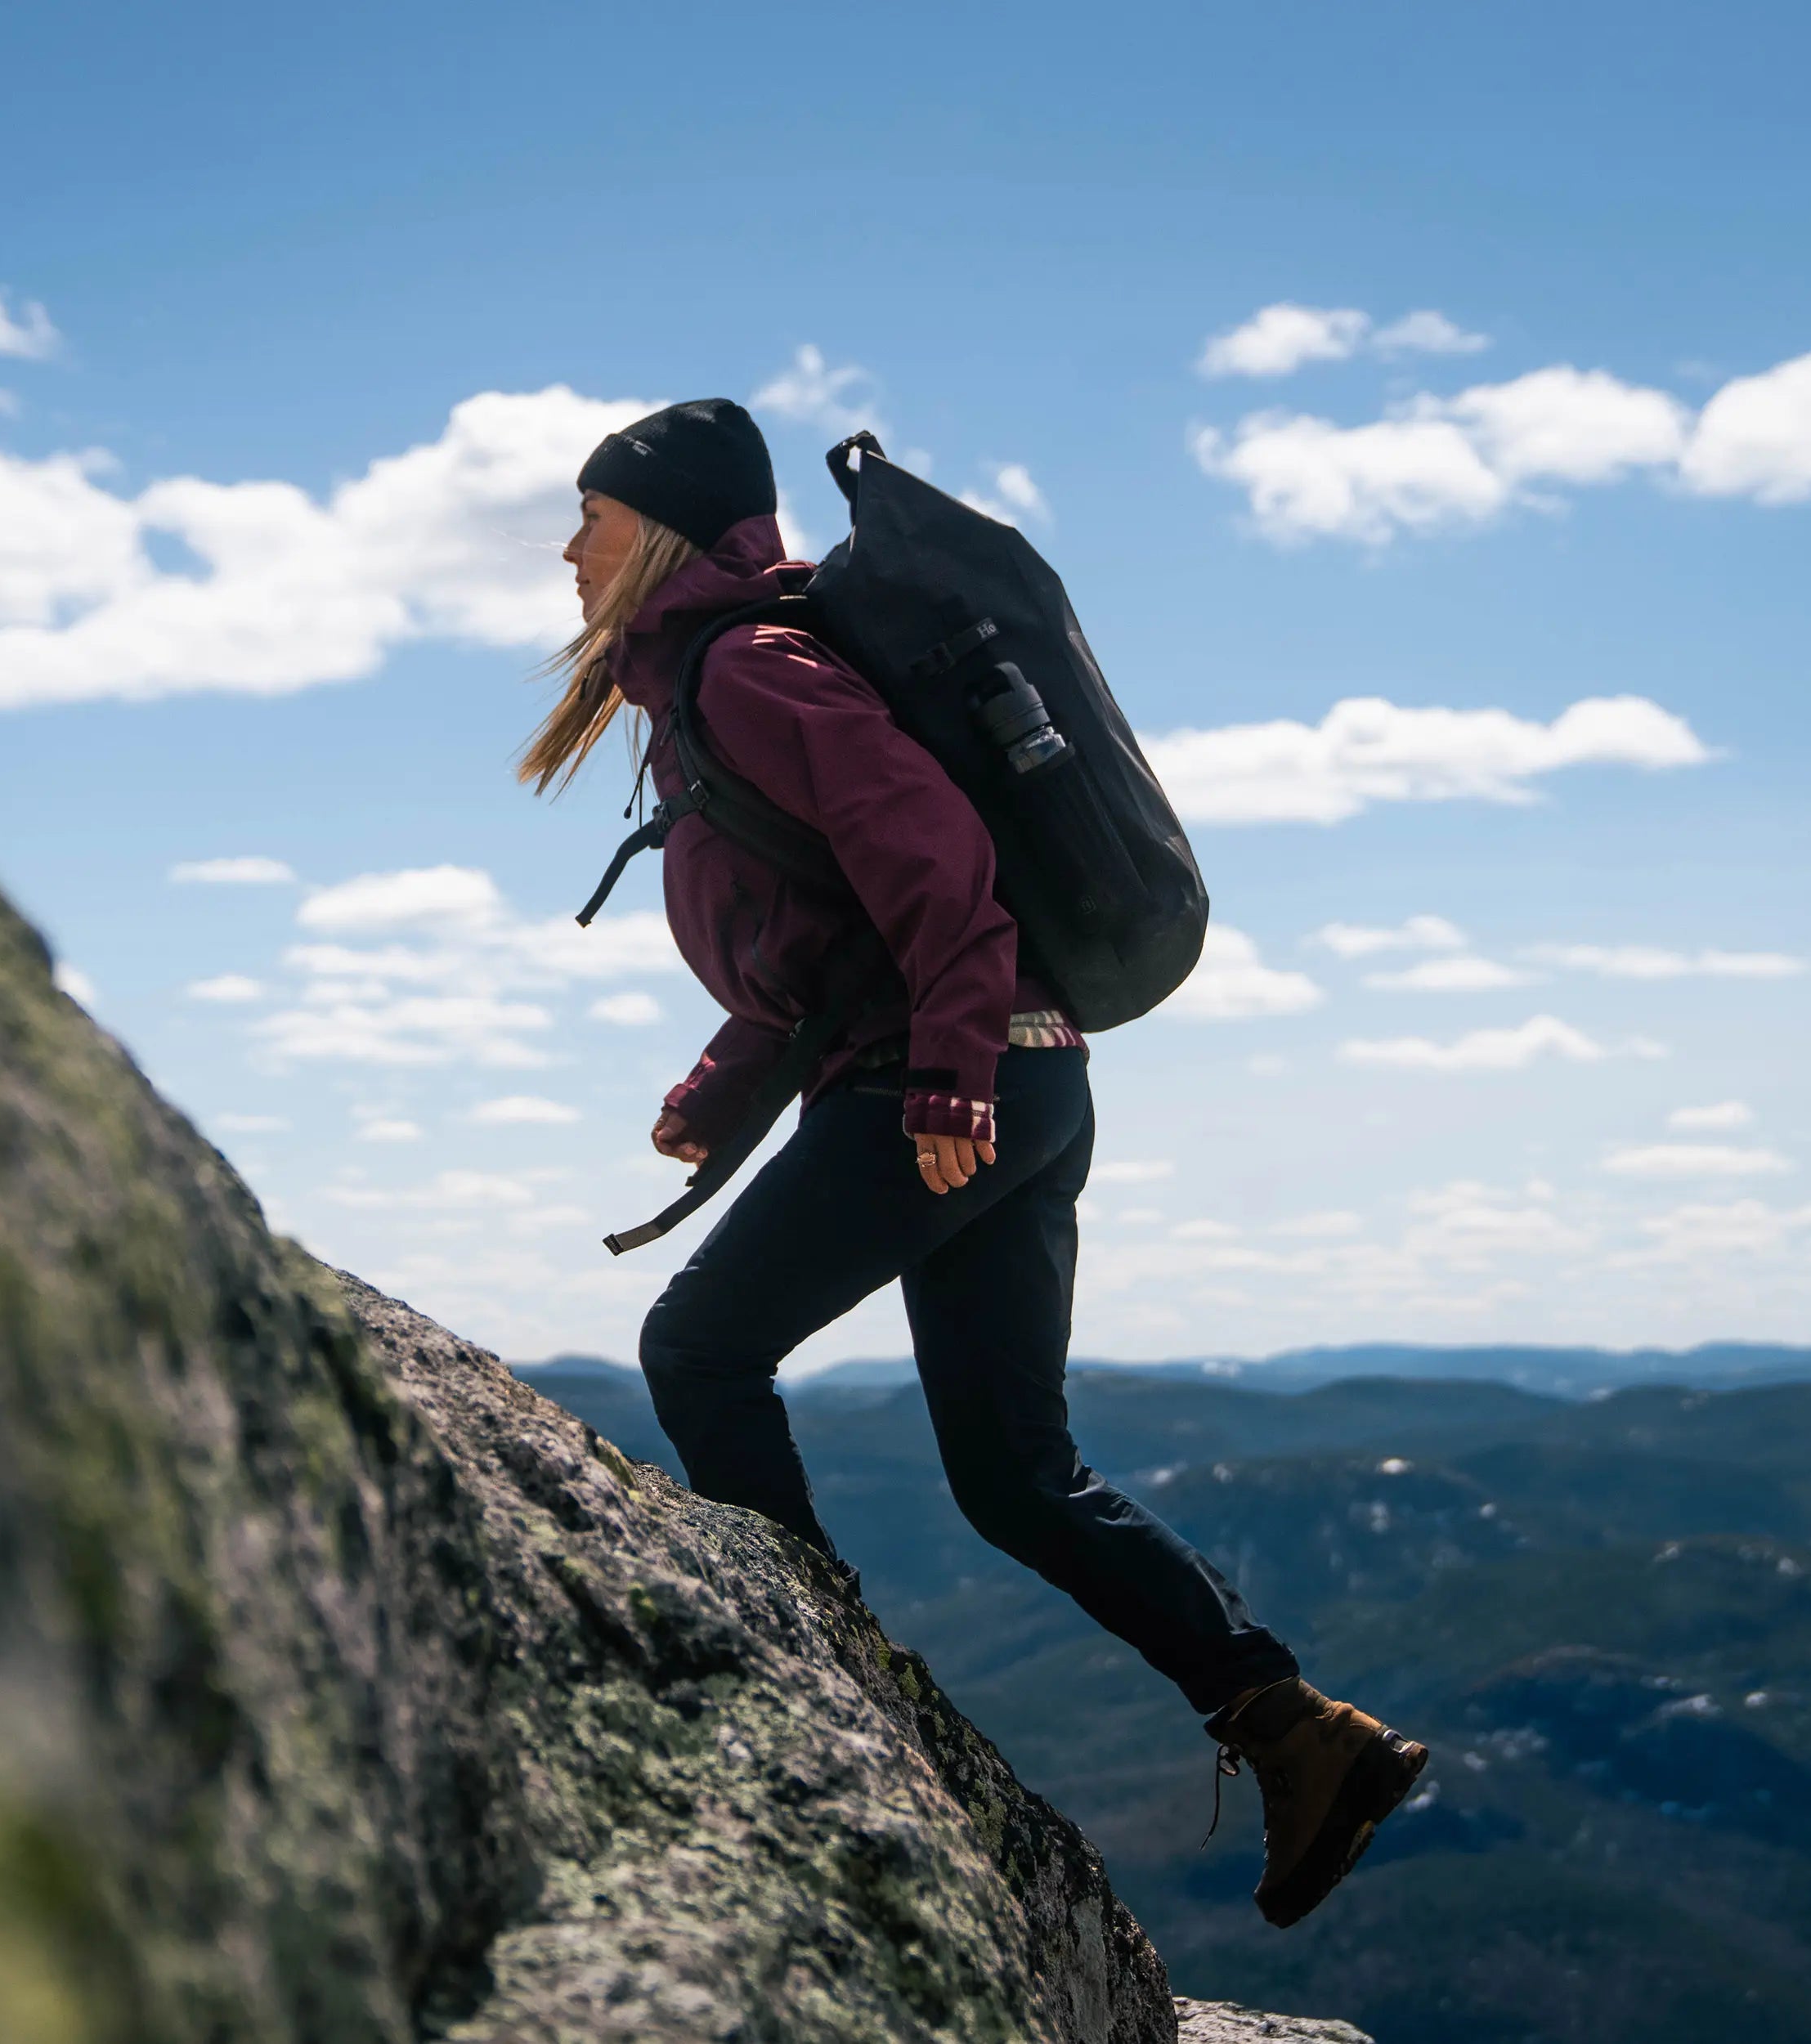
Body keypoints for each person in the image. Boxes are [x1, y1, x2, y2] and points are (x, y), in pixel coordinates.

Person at [520, 397, 1428, 1929]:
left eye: (591, 515)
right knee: (1018, 1478)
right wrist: (721, 1088)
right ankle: (1297, 1730)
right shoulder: (720, 674)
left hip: (955, 1080)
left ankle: (814, 1665)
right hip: (1031, 1073)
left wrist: (947, 1076)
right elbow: (830, 938)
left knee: (699, 1346)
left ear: (659, 528)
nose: (568, 545)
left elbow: (931, 856)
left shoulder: (747, 667)